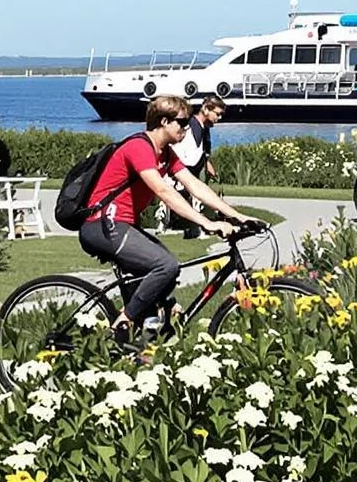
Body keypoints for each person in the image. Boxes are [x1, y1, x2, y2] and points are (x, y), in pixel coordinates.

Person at [80, 94, 251, 334]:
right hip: (103, 226)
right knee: (166, 265)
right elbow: (163, 191)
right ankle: (124, 320)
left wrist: (238, 216)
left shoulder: (166, 153)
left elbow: (195, 185)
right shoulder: (139, 147)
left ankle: (142, 342)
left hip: (123, 227)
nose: (186, 127)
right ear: (163, 122)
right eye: (182, 122)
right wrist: (206, 223)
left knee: (167, 274)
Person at [174, 93, 227, 182]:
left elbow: (201, 153)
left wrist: (207, 165)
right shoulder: (189, 126)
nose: (220, 117)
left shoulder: (205, 129)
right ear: (206, 109)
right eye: (218, 114)